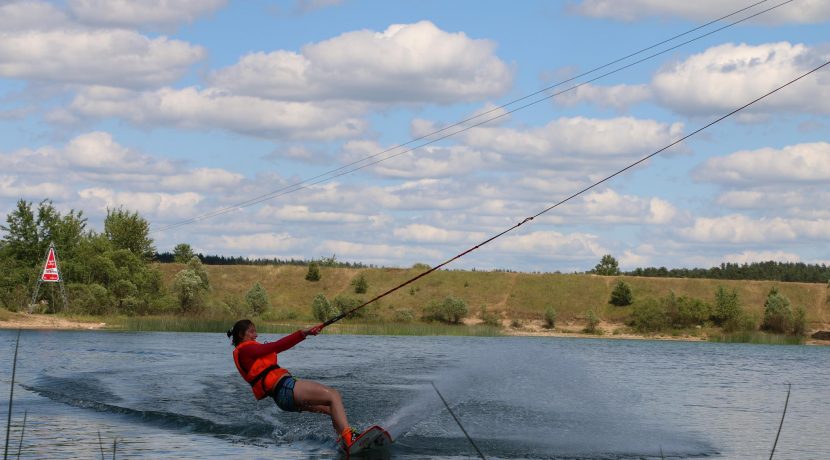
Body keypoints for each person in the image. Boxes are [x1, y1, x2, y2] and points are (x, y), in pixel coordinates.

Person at [227, 319, 357, 447]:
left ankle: (344, 441)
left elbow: (282, 346)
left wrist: (306, 334)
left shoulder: (252, 349)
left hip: (283, 397)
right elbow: (276, 345)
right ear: (240, 335)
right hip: (285, 388)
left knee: (331, 409)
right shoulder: (245, 350)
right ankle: (350, 437)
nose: (256, 335)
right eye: (251, 332)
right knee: (333, 395)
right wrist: (304, 333)